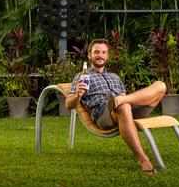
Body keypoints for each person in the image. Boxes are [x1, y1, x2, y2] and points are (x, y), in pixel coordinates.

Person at [65, 38, 167, 175]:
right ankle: (143, 160)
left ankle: (120, 100)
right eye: (96, 52)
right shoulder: (82, 76)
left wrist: (123, 99)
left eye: (103, 52)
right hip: (103, 113)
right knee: (123, 107)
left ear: (107, 56)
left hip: (125, 108)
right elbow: (68, 104)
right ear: (89, 55)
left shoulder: (115, 77)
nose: (100, 55)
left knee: (161, 86)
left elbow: (127, 101)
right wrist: (77, 95)